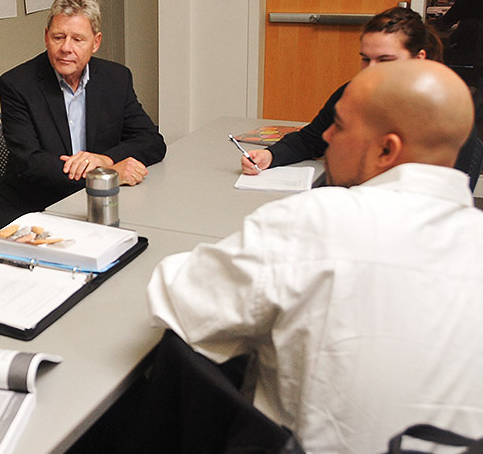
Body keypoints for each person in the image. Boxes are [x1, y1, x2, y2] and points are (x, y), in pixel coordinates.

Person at [148, 59, 483, 452]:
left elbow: (179, 298)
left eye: (339, 124)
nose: (326, 135)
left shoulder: (320, 221)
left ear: (386, 150)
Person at [0, 0, 167, 235]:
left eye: (78, 39)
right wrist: (106, 174)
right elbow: (30, 164)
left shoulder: (115, 78)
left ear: (96, 42)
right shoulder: (17, 85)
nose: (66, 48)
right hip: (35, 208)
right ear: (46, 36)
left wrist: (105, 160)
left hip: (96, 205)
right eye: (58, 37)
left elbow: (152, 141)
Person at [240, 6, 479, 187]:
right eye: (366, 58)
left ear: (419, 58)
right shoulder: (352, 93)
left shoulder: (444, 108)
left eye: (385, 60)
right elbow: (310, 140)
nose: (371, 70)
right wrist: (270, 155)